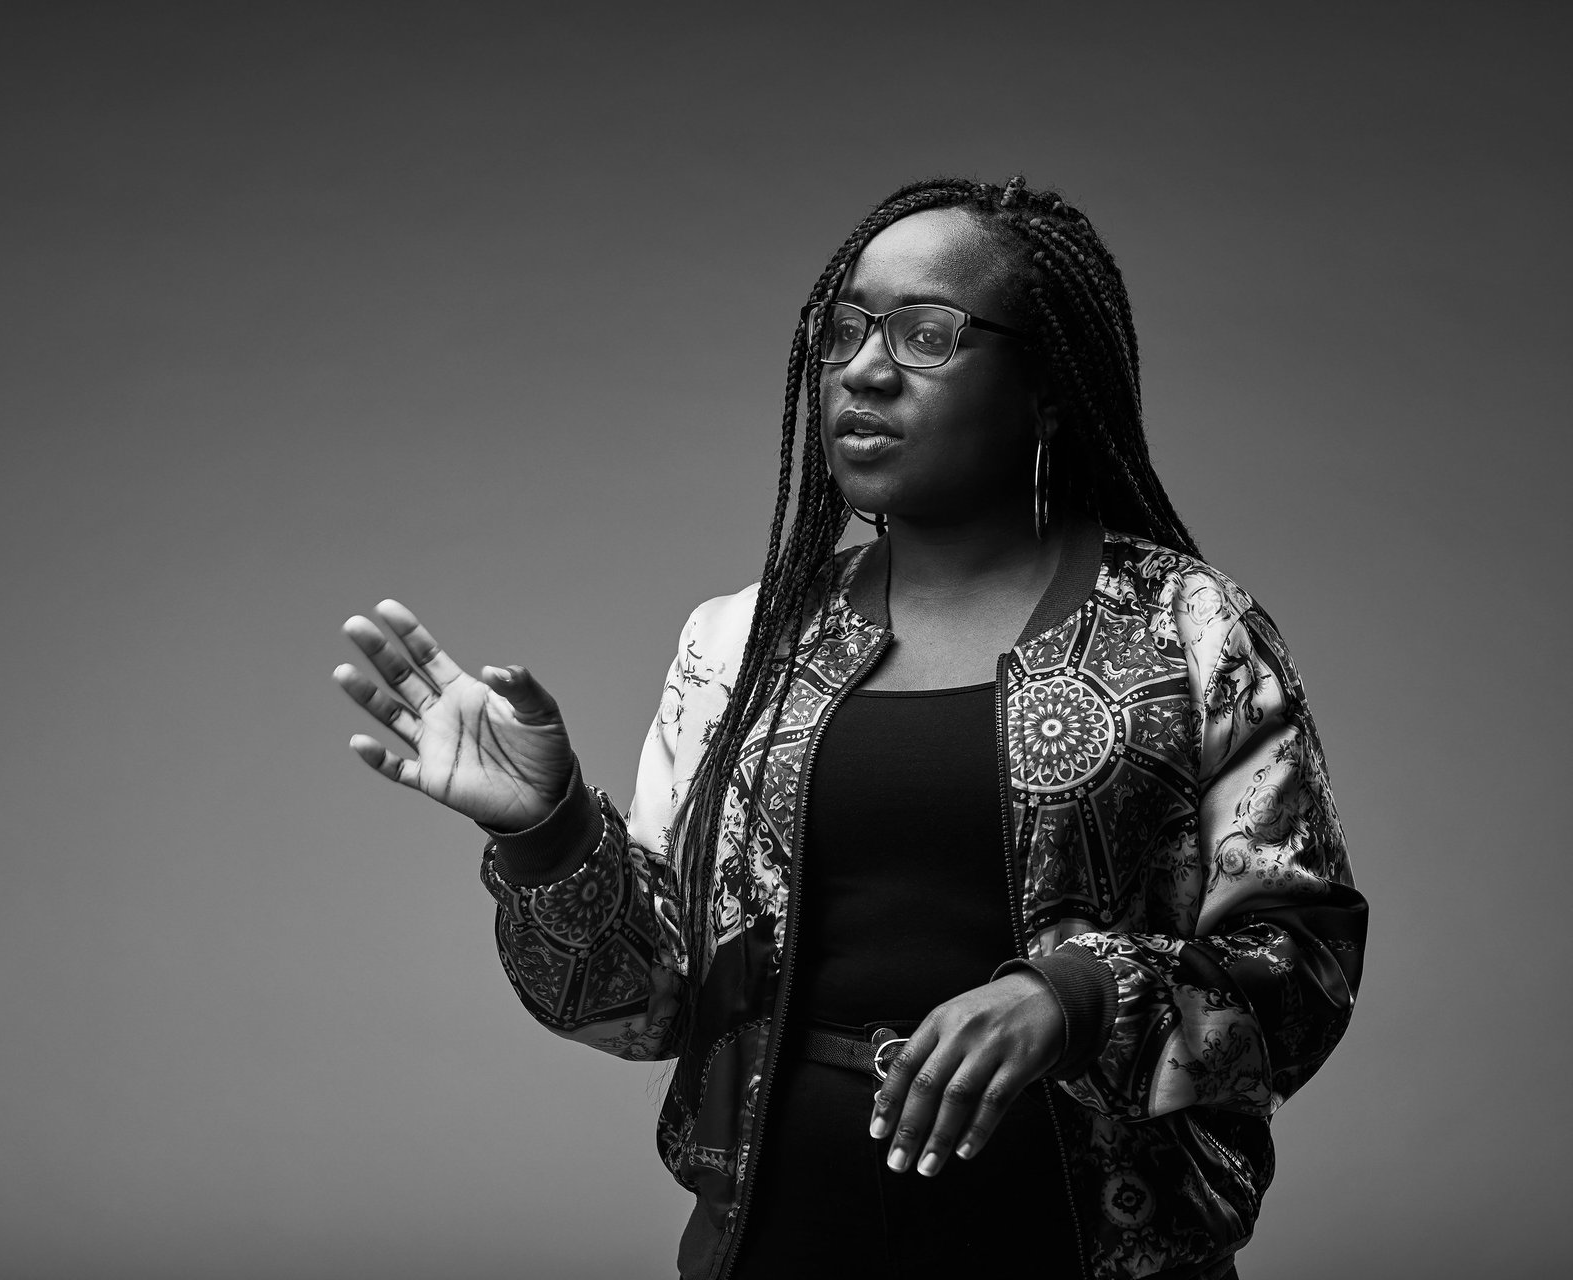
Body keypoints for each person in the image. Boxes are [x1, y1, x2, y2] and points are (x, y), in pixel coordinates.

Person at [332, 176, 1366, 1280]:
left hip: (1091, 1249)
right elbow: (649, 1006)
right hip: (781, 1240)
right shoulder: (741, 641)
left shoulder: (1186, 629)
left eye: (928, 333)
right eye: (847, 329)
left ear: (1049, 386)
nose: (866, 368)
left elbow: (1300, 967)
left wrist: (1072, 998)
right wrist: (546, 831)